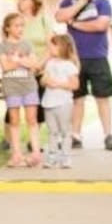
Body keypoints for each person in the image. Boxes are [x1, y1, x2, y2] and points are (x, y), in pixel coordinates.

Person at [55, 0, 112, 151]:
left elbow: (101, 25)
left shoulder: (103, 2)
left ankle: (108, 136)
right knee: (77, 98)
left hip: (98, 56)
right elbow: (60, 17)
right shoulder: (69, 1)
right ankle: (75, 136)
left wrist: (74, 24)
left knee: (103, 97)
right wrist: (79, 4)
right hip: (74, 57)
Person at [0, 13, 41, 168]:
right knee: (14, 120)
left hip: (29, 86)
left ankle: (35, 153)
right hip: (11, 87)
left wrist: (18, 60)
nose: (20, 28)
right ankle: (17, 154)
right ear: (7, 28)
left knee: (32, 119)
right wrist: (23, 62)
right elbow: (6, 67)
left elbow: (35, 64)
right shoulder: (2, 46)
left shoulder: (27, 45)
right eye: (16, 25)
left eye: (22, 25)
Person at [40, 34, 80, 170]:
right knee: (52, 132)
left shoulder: (69, 65)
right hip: (48, 102)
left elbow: (75, 85)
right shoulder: (50, 63)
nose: (50, 47)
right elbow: (43, 79)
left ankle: (65, 157)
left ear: (62, 47)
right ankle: (51, 157)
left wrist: (58, 83)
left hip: (63, 103)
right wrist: (46, 81)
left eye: (53, 45)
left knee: (65, 131)